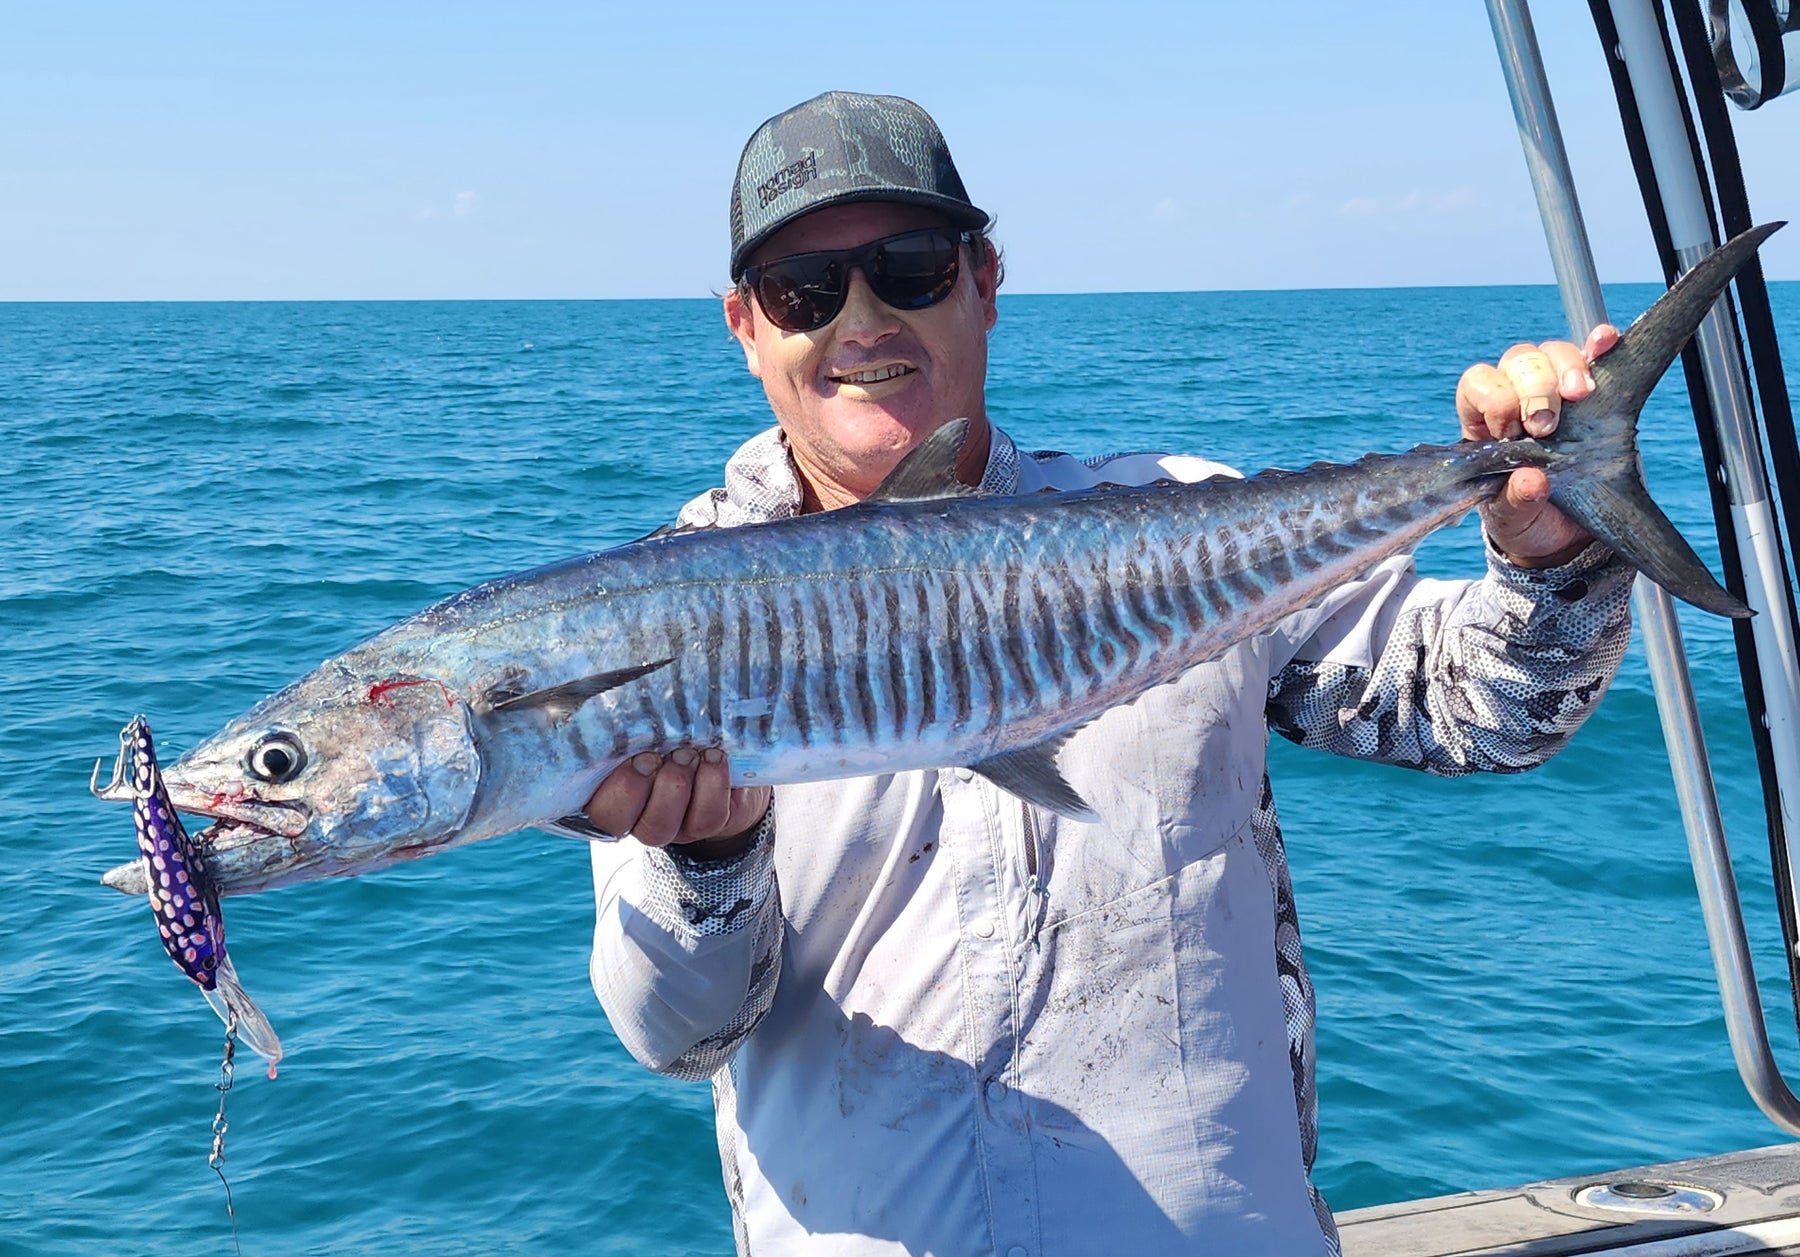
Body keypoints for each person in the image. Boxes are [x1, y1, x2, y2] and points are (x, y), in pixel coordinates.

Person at [583, 91, 1629, 1256]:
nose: (863, 321)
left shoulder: (1186, 527)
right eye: (805, 291)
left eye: (910, 268)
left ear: (984, 281)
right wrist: (709, 864)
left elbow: (1486, 714)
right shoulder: (658, 620)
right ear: (745, 326)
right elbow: (680, 1038)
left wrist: (1552, 554)